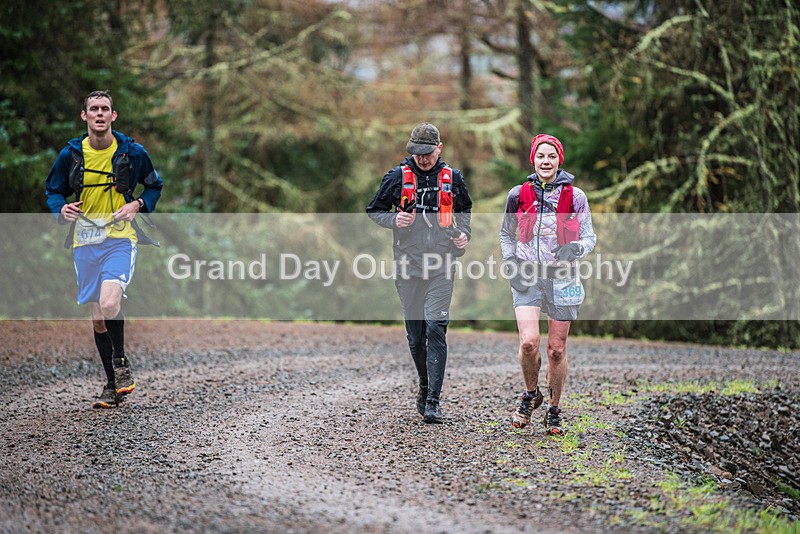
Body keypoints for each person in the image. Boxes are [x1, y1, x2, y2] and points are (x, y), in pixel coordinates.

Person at [45, 90, 163, 409]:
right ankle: (112, 385)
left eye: (105, 109)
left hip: (120, 238)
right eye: (93, 109)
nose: (99, 113)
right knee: (98, 319)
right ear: (84, 116)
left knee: (110, 302)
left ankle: (121, 362)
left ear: (114, 116)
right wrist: (61, 209)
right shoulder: (72, 154)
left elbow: (154, 185)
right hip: (84, 241)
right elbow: (53, 190)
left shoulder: (132, 152)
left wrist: (137, 205)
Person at [367, 122, 472, 423]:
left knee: (435, 327)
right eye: (417, 153)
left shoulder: (454, 179)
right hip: (408, 267)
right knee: (416, 339)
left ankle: (433, 401)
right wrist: (393, 220)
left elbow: (465, 213)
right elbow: (374, 211)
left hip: (442, 267)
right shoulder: (397, 177)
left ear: (439, 149)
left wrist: (463, 238)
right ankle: (424, 384)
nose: (422, 158)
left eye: (427, 153)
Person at [499, 134, 596, 435]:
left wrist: (576, 249)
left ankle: (554, 409)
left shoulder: (576, 197)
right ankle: (531, 395)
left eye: (551, 156)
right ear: (533, 159)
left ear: (559, 160)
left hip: (563, 276)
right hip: (527, 273)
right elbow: (506, 233)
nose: (546, 161)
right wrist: (510, 260)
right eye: (541, 156)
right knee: (529, 342)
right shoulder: (518, 194)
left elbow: (589, 237)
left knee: (556, 350)